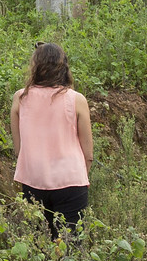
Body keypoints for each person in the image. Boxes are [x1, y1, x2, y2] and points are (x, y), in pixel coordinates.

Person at [10, 42, 93, 239]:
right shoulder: (77, 100)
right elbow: (88, 153)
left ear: (35, 66)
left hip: (33, 181)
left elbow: (18, 149)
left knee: (39, 243)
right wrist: (81, 177)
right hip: (71, 181)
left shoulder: (20, 98)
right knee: (70, 245)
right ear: (64, 67)